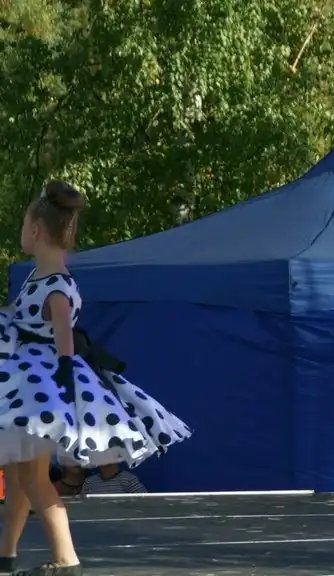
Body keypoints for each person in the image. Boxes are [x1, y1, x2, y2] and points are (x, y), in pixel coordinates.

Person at [0, 181, 193, 576]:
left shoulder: (56, 286)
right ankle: (6, 553)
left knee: (33, 478)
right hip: (30, 381)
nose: (21, 232)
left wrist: (65, 370)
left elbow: (63, 334)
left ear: (34, 230)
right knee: (19, 475)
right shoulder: (38, 278)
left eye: (23, 225)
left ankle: (66, 558)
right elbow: (18, 314)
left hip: (38, 385)